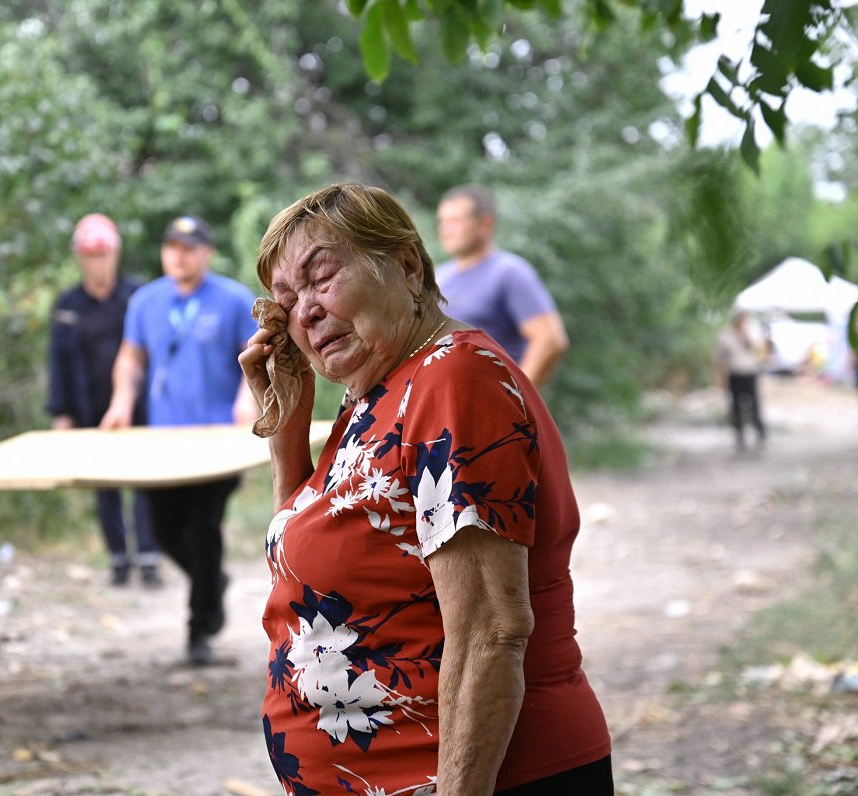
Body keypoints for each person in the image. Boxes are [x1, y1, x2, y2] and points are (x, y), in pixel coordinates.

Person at [240, 183, 612, 795]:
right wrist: (287, 424)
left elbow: (491, 630)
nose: (304, 311)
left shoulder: (453, 380)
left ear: (408, 265)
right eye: (286, 301)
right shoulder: (380, 392)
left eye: (322, 277)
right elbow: (308, 582)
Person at [100, 215, 259, 665]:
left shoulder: (231, 300)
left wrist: (247, 397)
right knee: (163, 529)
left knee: (204, 528)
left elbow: (255, 357)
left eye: (189, 248)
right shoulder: (146, 301)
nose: (179, 255)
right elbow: (131, 357)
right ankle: (211, 582)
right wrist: (120, 401)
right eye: (172, 247)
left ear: (206, 253)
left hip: (217, 440)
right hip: (163, 441)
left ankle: (200, 632)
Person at [47, 213, 162, 587]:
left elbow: (155, 351)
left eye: (103, 254)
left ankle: (148, 558)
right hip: (89, 407)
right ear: (80, 258)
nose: (98, 262)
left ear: (115, 254)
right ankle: (118, 559)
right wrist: (61, 413)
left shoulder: (137, 296)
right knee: (105, 487)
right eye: (90, 255)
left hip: (140, 407)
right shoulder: (68, 305)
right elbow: (58, 363)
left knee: (147, 481)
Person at [435, 185, 568, 388]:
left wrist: (517, 398)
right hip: (445, 407)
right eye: (443, 221)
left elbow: (549, 340)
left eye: (456, 221)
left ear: (485, 224)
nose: (446, 230)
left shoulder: (509, 273)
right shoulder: (439, 277)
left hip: (489, 409)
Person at [714, 309, 768, 452]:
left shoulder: (753, 332)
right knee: (736, 406)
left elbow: (760, 352)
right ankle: (739, 436)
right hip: (734, 374)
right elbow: (719, 359)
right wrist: (720, 379)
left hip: (750, 373)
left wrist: (745, 336)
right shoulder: (725, 335)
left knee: (754, 404)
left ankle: (760, 433)